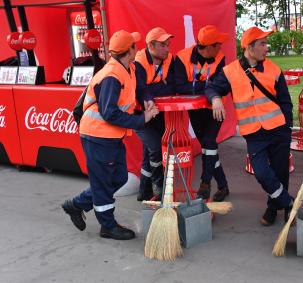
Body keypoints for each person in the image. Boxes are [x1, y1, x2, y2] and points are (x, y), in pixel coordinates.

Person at [62, 30, 159, 240]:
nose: (137, 47)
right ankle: (107, 226)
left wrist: (147, 100)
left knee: (118, 178)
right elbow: (109, 113)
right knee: (104, 181)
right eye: (135, 45)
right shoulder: (112, 76)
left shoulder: (129, 68)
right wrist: (143, 119)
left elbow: (140, 88)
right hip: (97, 136)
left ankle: (76, 204)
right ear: (129, 51)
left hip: (110, 137)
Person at [205, 26, 294, 226]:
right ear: (249, 47)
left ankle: (273, 207)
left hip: (279, 130)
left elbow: (286, 102)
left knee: (280, 172)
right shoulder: (230, 71)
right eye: (262, 44)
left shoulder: (274, 69)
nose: (267, 47)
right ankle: (288, 203)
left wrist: (287, 127)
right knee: (262, 172)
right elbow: (211, 87)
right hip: (254, 134)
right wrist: (216, 99)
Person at [175, 25, 230, 202]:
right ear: (209, 47)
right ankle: (223, 186)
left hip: (216, 109)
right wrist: (207, 86)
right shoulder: (182, 57)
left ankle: (205, 184)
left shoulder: (220, 58)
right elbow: (179, 87)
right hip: (195, 111)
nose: (221, 47)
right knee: (209, 149)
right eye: (218, 44)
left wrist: (199, 88)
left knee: (209, 143)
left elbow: (221, 86)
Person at [134, 27, 175, 201]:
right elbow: (140, 89)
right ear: (151, 45)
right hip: (139, 115)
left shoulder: (170, 59)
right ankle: (159, 189)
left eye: (168, 44)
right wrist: (160, 88)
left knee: (149, 152)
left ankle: (144, 192)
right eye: (163, 45)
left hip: (157, 113)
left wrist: (155, 89)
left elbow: (173, 86)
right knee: (156, 148)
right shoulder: (139, 62)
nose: (168, 48)